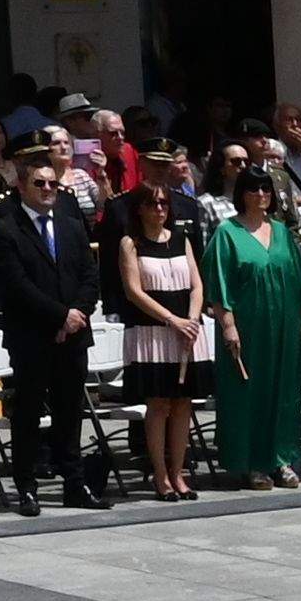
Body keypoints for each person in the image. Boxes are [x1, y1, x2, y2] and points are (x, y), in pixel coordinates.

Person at [0, 141, 109, 508]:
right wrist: (59, 316)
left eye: (52, 183)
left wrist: (75, 316)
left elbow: (89, 277)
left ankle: (74, 484)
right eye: (38, 183)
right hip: (32, 336)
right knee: (27, 412)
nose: (47, 189)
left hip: (73, 335)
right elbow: (17, 285)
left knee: (70, 412)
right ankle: (26, 485)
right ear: (21, 186)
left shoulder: (72, 226)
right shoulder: (7, 229)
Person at [203, 163, 301, 488]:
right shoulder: (227, 233)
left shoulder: (282, 233)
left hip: (284, 326)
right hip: (247, 327)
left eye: (266, 189)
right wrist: (228, 326)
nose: (261, 194)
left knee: (283, 391)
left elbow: (298, 279)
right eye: (254, 189)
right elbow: (219, 284)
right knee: (249, 393)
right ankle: (251, 463)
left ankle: (280, 459)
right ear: (242, 194)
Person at [115, 161, 214, 501]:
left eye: (164, 203)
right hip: (153, 333)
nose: (159, 209)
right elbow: (134, 291)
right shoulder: (130, 244)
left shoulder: (182, 239)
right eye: (153, 203)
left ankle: (179, 471)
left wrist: (192, 319)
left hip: (186, 332)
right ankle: (160, 474)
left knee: (183, 404)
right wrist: (172, 320)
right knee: (158, 406)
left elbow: (197, 285)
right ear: (139, 209)